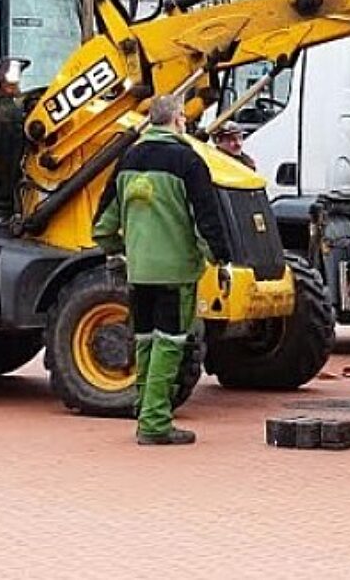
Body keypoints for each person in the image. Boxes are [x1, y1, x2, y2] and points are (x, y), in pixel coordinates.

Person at [94, 94, 232, 446]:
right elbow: (206, 219)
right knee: (169, 344)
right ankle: (155, 423)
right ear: (178, 120)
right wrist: (219, 258)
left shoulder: (128, 159)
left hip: (139, 271)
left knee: (143, 340)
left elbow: (103, 225)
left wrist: (123, 251)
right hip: (175, 272)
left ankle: (144, 409)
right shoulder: (188, 161)